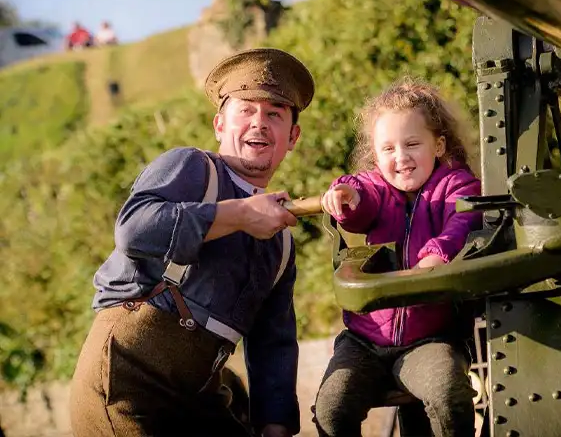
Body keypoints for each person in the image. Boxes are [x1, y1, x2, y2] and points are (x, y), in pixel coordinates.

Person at [70, 48, 315, 437]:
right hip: (128, 382)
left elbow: (274, 343)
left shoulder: (280, 241)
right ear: (220, 124)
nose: (259, 123)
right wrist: (240, 215)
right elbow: (133, 230)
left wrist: (276, 424)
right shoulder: (192, 168)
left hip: (200, 395)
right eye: (245, 111)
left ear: (293, 137)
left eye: (275, 114)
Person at [313, 78, 482, 437]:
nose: (401, 157)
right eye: (388, 149)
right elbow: (361, 198)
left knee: (448, 395)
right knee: (332, 408)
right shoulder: (378, 188)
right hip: (365, 341)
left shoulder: (456, 185)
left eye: (412, 144)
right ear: (376, 157)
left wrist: (436, 255)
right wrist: (346, 194)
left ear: (438, 145)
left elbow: (464, 220)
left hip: (430, 338)